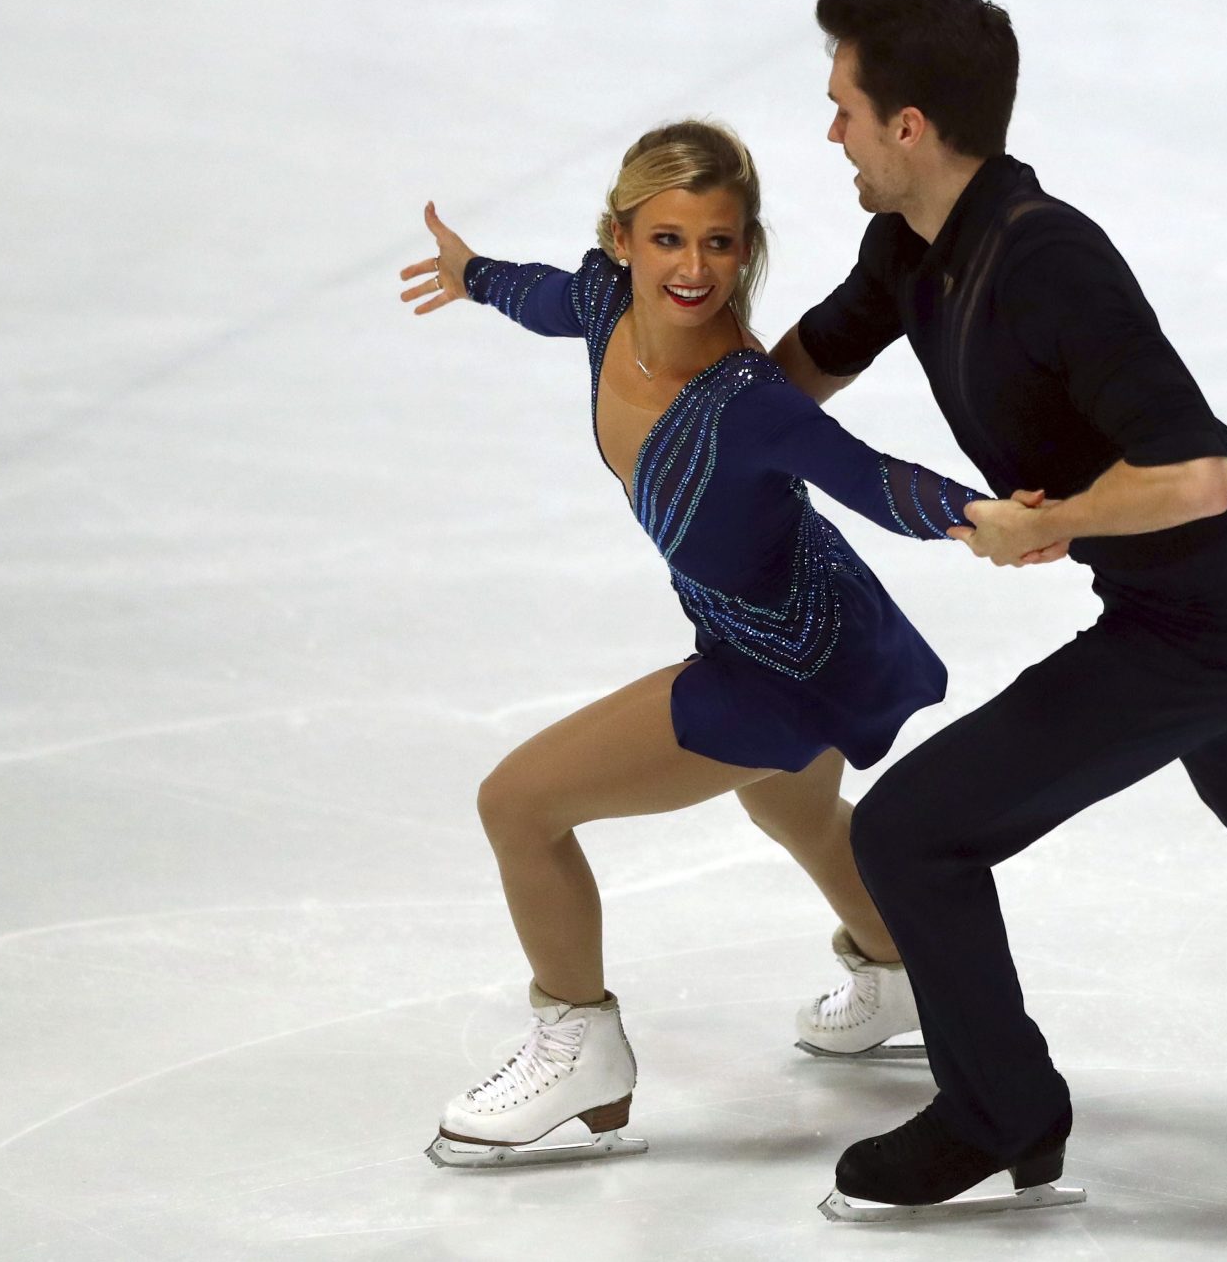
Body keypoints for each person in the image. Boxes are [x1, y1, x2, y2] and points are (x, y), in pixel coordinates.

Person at [766, 0, 1227, 1214]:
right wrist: (679, 386)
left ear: (909, 125)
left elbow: (1193, 474)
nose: (830, 133)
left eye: (842, 108)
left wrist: (1052, 520)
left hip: (1212, 602)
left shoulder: (1047, 258)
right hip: (1222, 575)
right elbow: (805, 369)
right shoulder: (908, 242)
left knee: (912, 829)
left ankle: (997, 1111)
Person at [395, 119, 1007, 1167]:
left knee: (519, 802)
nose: (693, 268)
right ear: (623, 239)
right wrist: (472, 273)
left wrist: (993, 519)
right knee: (790, 802)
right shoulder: (601, 304)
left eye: (719, 243)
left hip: (782, 657)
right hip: (794, 617)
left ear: (745, 249)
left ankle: (579, 1043)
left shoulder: (749, 402)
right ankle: (901, 966)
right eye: (669, 239)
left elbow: (870, 478)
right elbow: (542, 294)